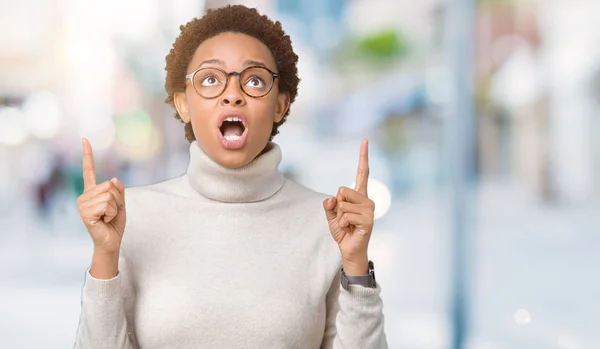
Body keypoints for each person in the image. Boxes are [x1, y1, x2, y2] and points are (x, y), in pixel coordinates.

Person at [74, 5, 387, 348]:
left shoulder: (328, 222)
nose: (233, 94)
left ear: (281, 105)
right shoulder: (130, 217)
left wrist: (356, 265)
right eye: (210, 79)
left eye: (254, 80)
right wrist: (105, 255)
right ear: (183, 104)